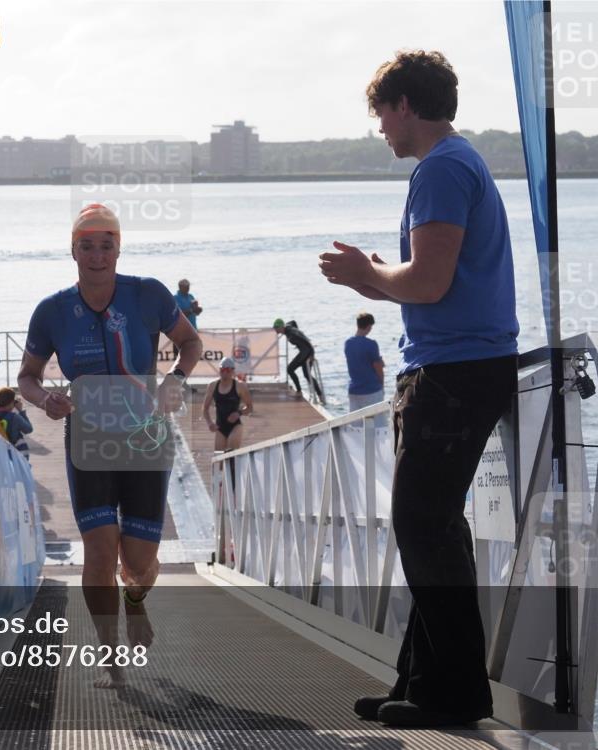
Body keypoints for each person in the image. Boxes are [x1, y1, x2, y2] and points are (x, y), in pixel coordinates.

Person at [319, 50, 518, 728]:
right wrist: (375, 277)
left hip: (455, 372)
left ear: (404, 105)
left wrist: (364, 275)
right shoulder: (456, 164)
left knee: (423, 524)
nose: (379, 127)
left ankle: (456, 693)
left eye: (380, 112)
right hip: (457, 366)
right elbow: (435, 282)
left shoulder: (441, 169)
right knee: (432, 527)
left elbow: (428, 284)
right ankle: (424, 682)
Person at [17, 204, 202, 687]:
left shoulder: (147, 294)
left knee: (138, 562)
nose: (97, 255)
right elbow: (27, 377)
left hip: (145, 438)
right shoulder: (52, 311)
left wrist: (175, 380)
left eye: (106, 245)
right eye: (87, 246)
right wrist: (45, 400)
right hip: (89, 440)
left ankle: (135, 597)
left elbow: (190, 343)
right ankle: (110, 656)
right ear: (72, 250)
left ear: (119, 249)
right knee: (99, 552)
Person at [202, 356, 253, 451]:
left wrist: (239, 413)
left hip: (235, 426)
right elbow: (205, 409)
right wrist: (209, 423)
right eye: (222, 370)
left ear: (233, 371)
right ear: (219, 370)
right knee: (218, 457)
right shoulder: (212, 386)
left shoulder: (240, 386)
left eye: (228, 370)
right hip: (220, 427)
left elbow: (250, 408)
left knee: (231, 452)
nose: (225, 373)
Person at [273, 318, 323, 401]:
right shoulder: (288, 327)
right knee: (303, 374)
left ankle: (310, 393)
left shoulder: (292, 334)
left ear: (281, 327)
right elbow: (293, 322)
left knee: (292, 370)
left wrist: (312, 354)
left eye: (276, 328)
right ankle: (314, 394)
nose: (275, 330)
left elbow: (307, 342)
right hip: (303, 351)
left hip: (307, 352)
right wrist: (298, 334)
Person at [344, 312, 385, 413]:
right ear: (369, 326)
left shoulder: (348, 343)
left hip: (354, 390)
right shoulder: (371, 344)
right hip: (371, 390)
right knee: (377, 421)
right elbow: (378, 367)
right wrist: (382, 384)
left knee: (355, 422)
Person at [0, 386, 33, 459]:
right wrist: (21, 411)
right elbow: (29, 429)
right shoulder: (14, 417)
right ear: (11, 403)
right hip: (15, 456)